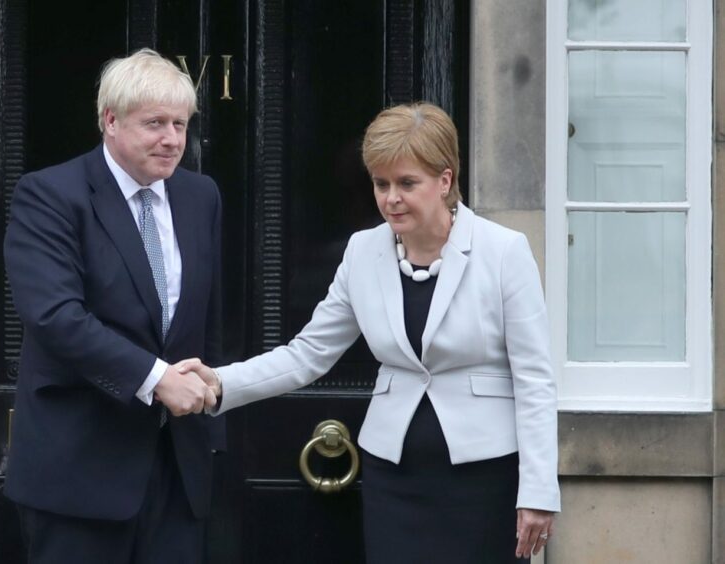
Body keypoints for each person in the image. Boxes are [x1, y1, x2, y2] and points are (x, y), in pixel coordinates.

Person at [179, 102, 560, 562]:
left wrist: (538, 490)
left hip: (484, 479)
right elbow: (308, 354)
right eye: (381, 184)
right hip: (392, 476)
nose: (390, 198)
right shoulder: (363, 252)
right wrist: (221, 383)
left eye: (406, 183)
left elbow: (535, 379)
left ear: (444, 180)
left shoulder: (503, 251)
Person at [3, 48, 224, 564]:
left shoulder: (200, 196)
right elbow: (55, 315)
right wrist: (156, 378)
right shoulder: (51, 194)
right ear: (110, 121)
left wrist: (212, 418)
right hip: (79, 472)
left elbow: (207, 319)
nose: (172, 139)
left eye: (180, 123)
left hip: (178, 469)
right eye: (154, 124)